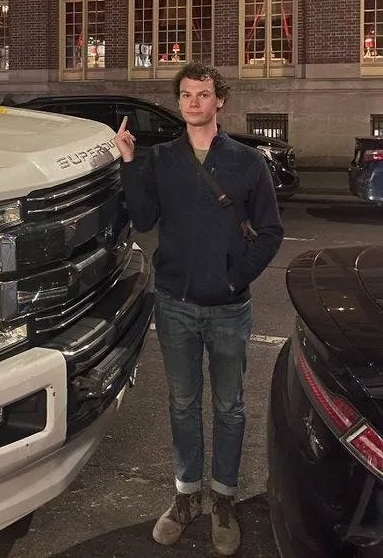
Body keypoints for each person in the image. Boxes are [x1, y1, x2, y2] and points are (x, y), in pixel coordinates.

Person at [116, 62, 283, 557]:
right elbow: (144, 218)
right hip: (175, 305)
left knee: (230, 407)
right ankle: (187, 495)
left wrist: (234, 277)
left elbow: (271, 232)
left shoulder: (246, 163)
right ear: (179, 101)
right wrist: (128, 162)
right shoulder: (163, 159)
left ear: (220, 101)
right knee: (183, 405)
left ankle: (224, 499)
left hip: (230, 308)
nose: (194, 102)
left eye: (203, 94)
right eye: (186, 94)